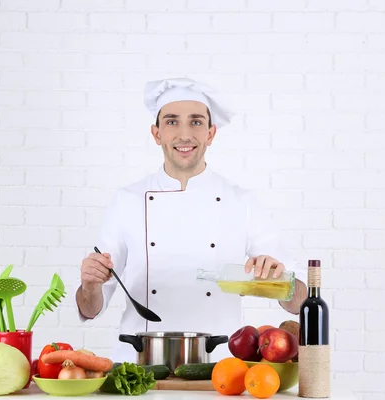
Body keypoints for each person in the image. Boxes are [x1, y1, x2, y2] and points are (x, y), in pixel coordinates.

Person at [75, 77, 308, 363]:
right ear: (156, 133)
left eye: (196, 122)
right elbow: (90, 309)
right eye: (172, 122)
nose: (184, 135)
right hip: (138, 364)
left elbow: (299, 302)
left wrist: (281, 278)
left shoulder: (241, 202)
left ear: (211, 134)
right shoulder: (128, 201)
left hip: (223, 367)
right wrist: (90, 285)